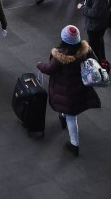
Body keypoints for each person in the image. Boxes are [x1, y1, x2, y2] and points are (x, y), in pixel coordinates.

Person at [36, 25, 101, 157]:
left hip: (64, 89)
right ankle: (63, 116)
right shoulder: (85, 50)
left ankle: (74, 144)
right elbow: (96, 61)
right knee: (69, 110)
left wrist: (39, 64)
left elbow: (48, 69)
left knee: (71, 115)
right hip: (79, 87)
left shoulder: (61, 56)